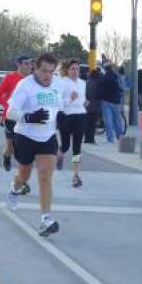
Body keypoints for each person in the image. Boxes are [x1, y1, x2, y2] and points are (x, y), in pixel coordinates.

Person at [6, 53, 63, 237]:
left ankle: (46, 219)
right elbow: (10, 113)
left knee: (45, 177)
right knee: (24, 175)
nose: (47, 75)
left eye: (51, 71)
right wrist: (28, 117)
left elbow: (58, 111)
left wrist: (60, 136)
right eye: (44, 71)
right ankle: (15, 189)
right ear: (35, 69)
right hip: (25, 135)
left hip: (47, 137)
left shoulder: (58, 84)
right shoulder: (25, 85)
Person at [0, 55, 33, 176]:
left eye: (30, 64)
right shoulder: (10, 78)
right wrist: (9, 105)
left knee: (23, 149)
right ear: (19, 64)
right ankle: (6, 157)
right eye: (26, 63)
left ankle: (22, 174)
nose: (29, 66)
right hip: (11, 117)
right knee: (10, 147)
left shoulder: (33, 80)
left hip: (26, 118)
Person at [56, 59, 87, 188]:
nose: (75, 71)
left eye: (77, 69)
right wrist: (70, 99)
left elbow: (83, 98)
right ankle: (59, 155)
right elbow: (58, 103)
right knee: (66, 145)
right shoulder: (62, 83)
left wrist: (85, 102)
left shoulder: (82, 83)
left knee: (77, 148)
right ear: (67, 70)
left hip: (80, 116)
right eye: (72, 69)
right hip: (66, 117)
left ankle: (76, 175)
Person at [97, 62, 123, 143]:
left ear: (104, 69)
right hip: (116, 102)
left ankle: (110, 139)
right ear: (111, 68)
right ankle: (120, 136)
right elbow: (121, 88)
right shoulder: (117, 77)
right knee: (118, 120)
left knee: (108, 121)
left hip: (106, 102)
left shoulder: (103, 78)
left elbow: (100, 90)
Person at [84, 69, 102, 145]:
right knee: (93, 124)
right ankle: (91, 139)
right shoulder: (98, 82)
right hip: (97, 106)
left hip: (88, 105)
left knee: (88, 123)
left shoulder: (88, 82)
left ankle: (87, 139)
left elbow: (86, 94)